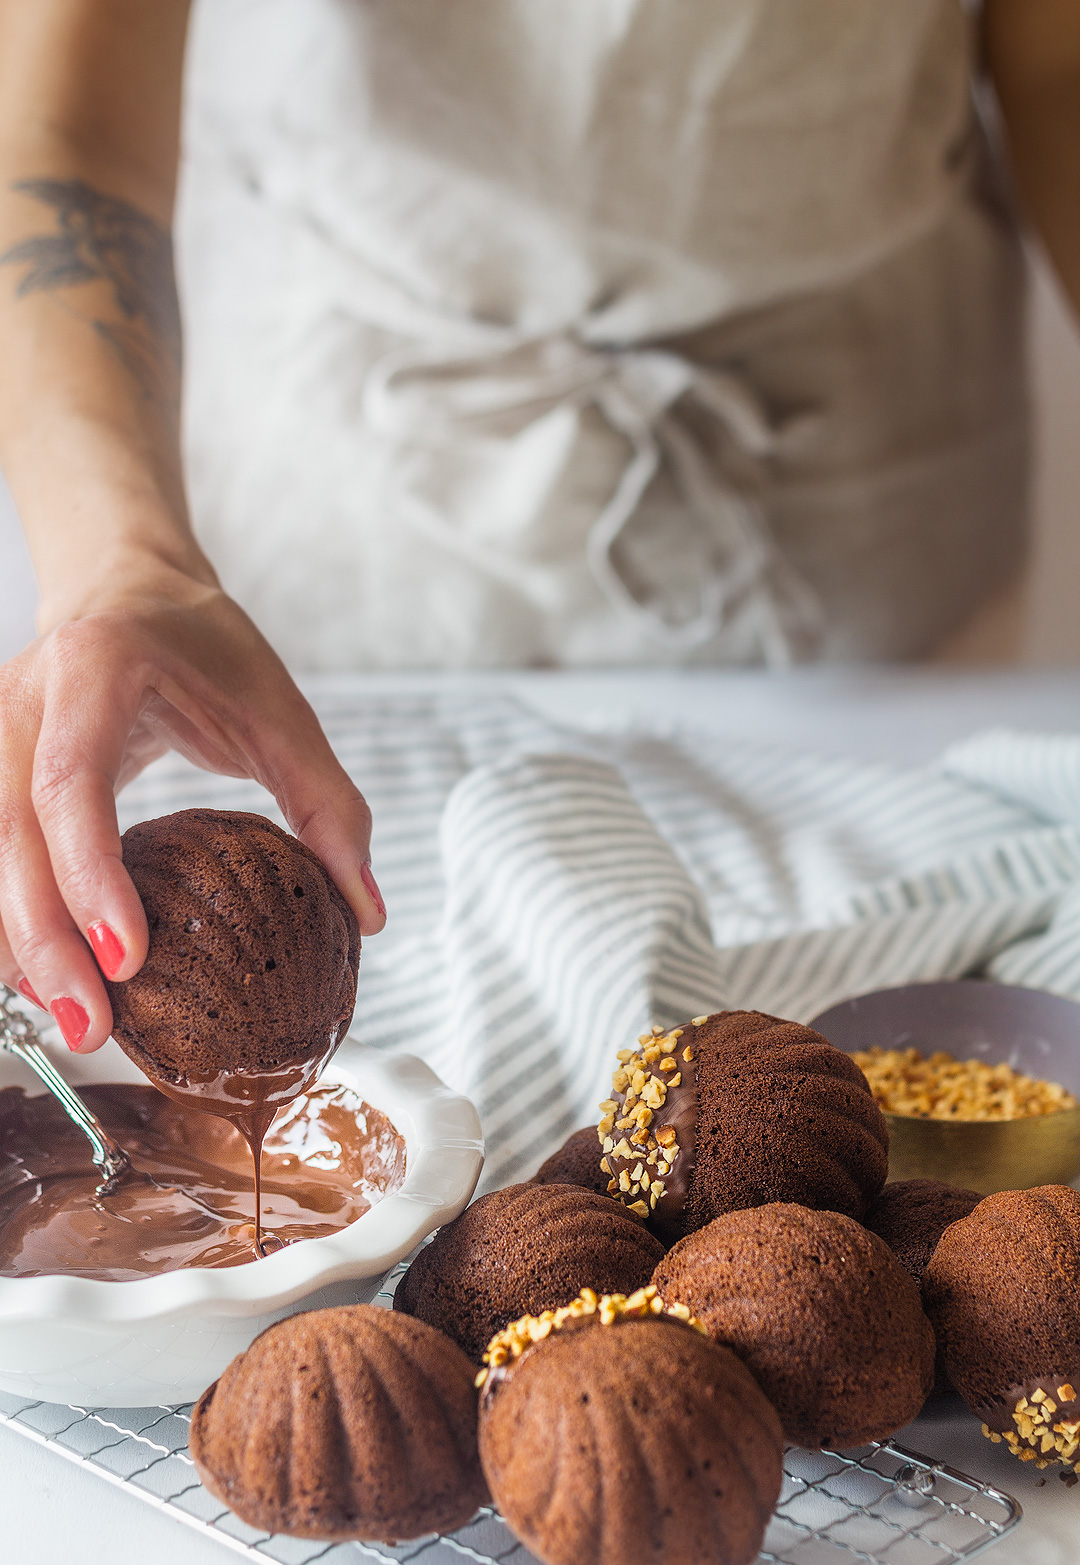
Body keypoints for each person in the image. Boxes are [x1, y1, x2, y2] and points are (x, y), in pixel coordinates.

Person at [0, 0, 1076, 1056]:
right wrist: (126, 565)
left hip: (857, 497)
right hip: (335, 529)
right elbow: (65, 127)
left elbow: (1055, 68)